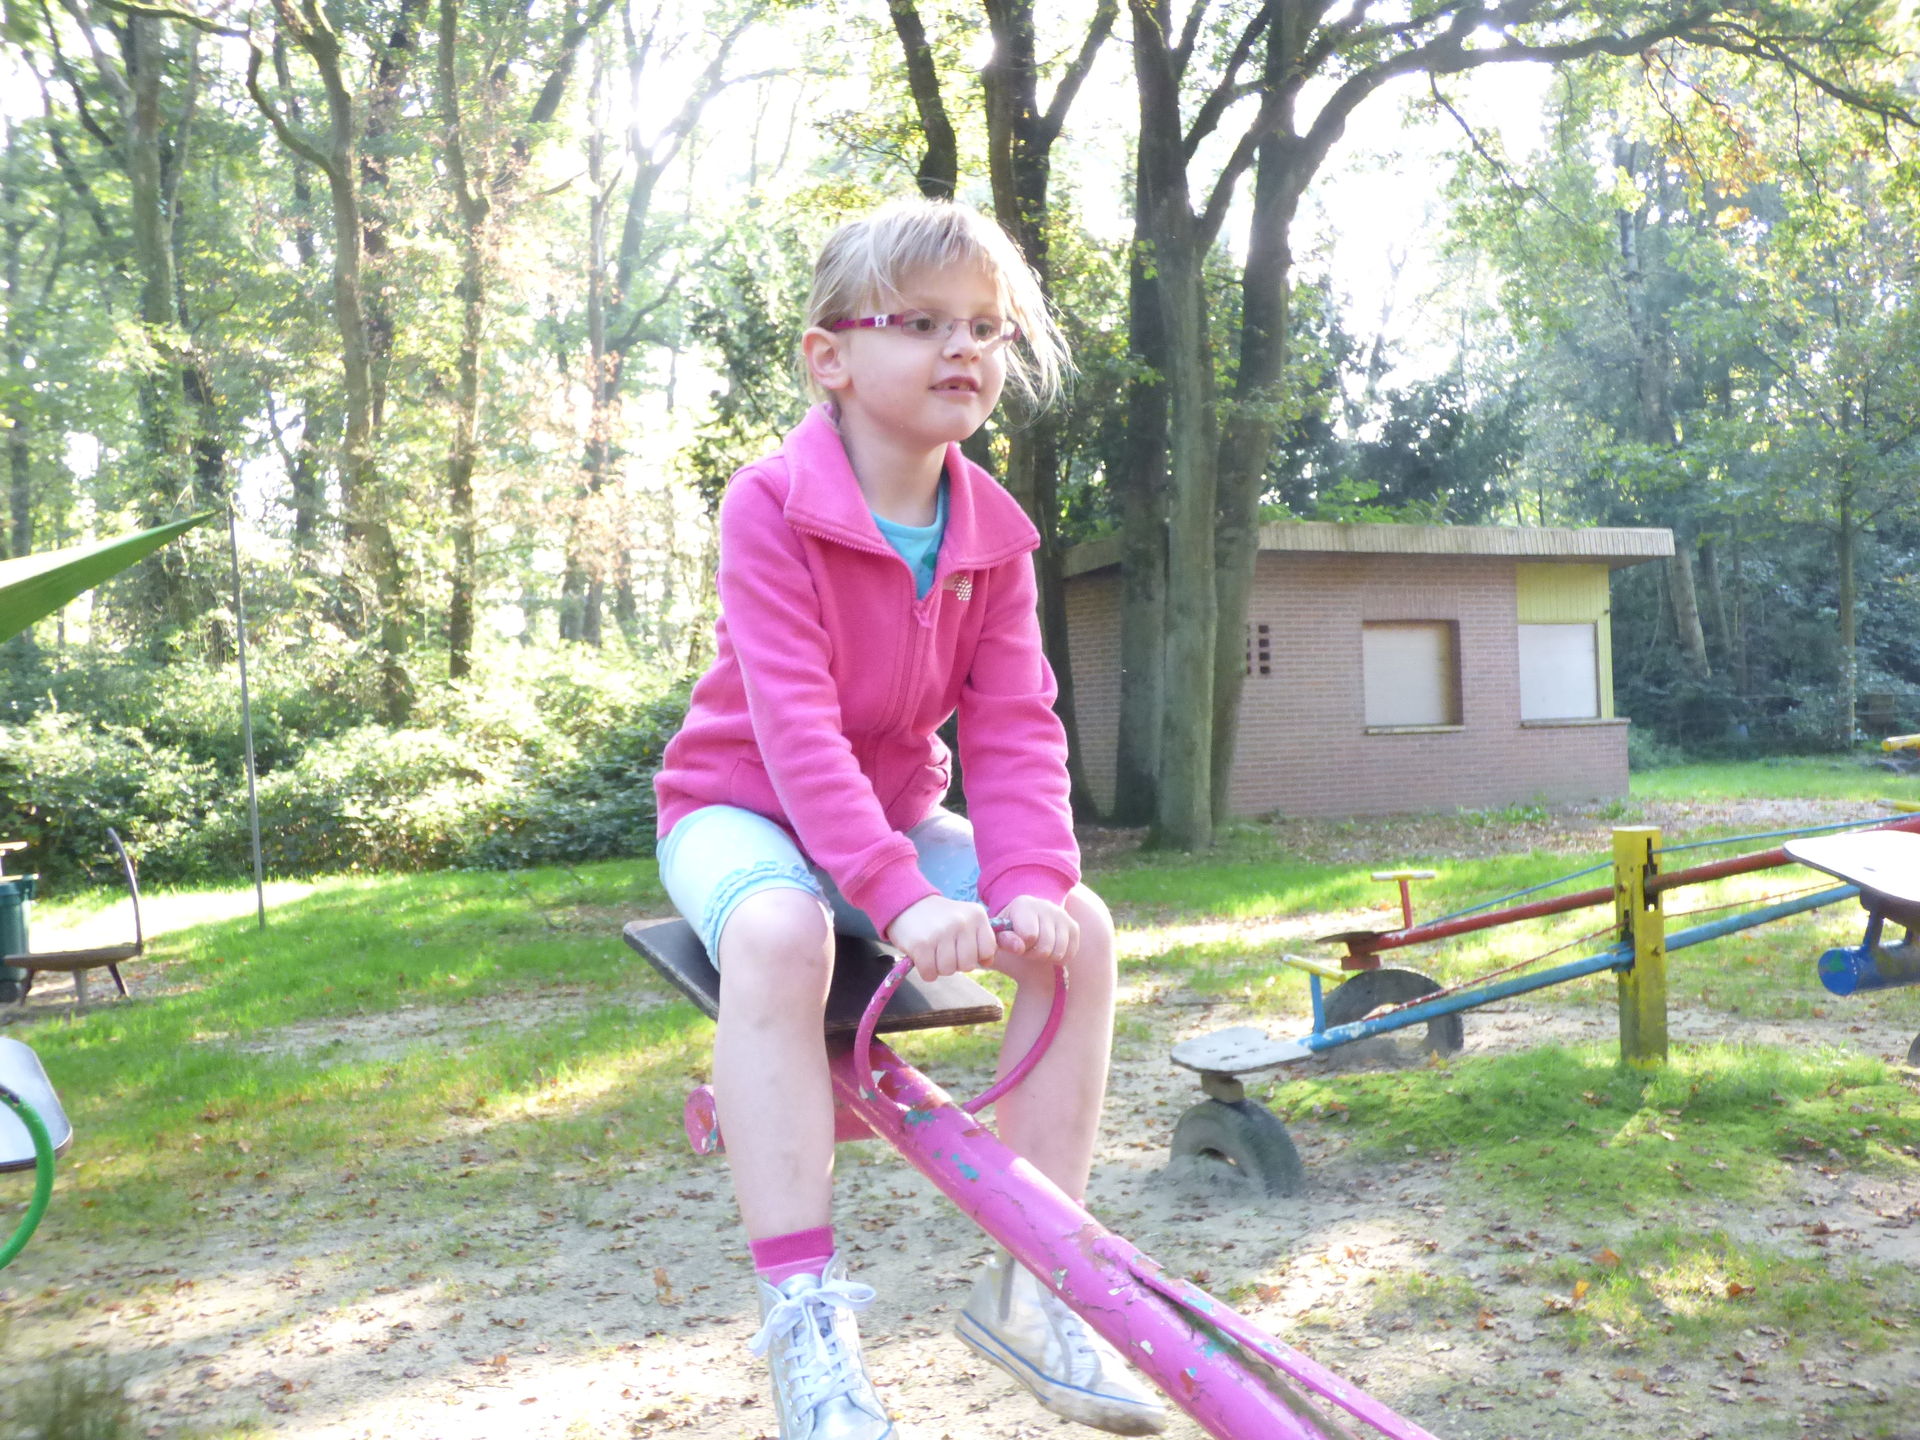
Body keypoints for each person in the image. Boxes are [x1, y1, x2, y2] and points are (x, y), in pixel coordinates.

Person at [653, 198, 1167, 1440]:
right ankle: (804, 1322)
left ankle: (1037, 1284)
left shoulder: (995, 537)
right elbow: (794, 732)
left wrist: (1028, 877)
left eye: (986, 327)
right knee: (780, 934)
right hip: (738, 812)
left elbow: (1016, 725)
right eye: (924, 322)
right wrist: (902, 897)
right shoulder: (773, 504)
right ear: (830, 357)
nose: (963, 348)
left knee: (1080, 929)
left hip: (889, 818)